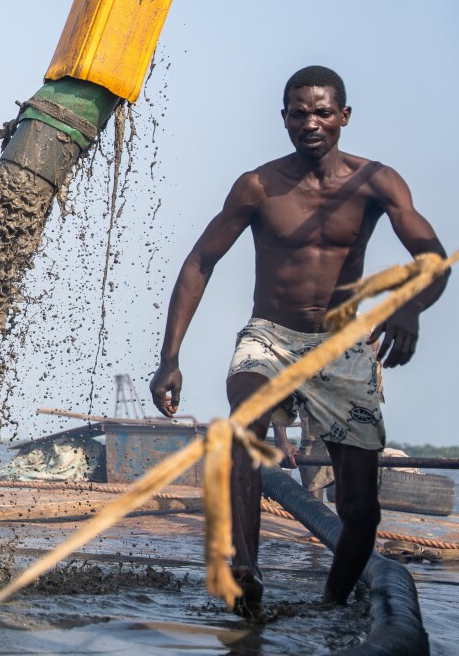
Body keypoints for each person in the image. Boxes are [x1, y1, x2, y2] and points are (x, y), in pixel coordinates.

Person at [148, 66, 447, 617]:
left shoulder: (376, 182)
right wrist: (170, 357)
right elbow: (201, 261)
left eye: (322, 112)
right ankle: (247, 571)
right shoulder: (258, 186)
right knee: (244, 419)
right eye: (298, 113)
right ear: (284, 119)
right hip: (270, 336)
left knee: (361, 509)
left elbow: (433, 259)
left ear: (344, 117)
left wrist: (410, 307)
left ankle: (332, 604)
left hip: (341, 346)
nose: (311, 122)